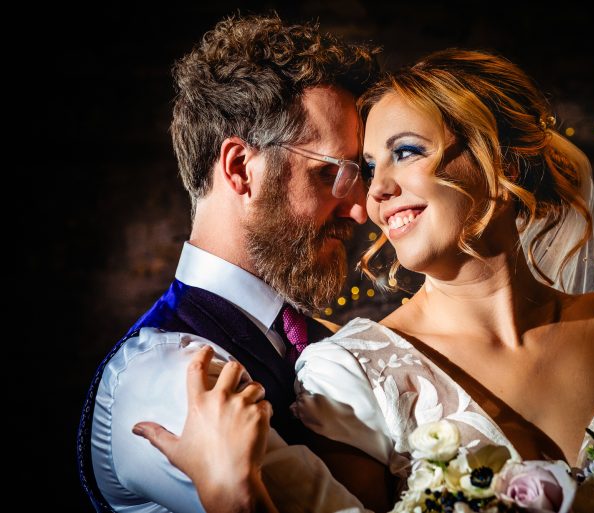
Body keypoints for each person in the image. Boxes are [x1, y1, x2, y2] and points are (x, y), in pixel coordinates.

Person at [137, 49, 594, 510]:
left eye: (406, 152)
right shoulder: (351, 373)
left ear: (503, 164)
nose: (375, 191)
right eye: (366, 169)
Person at [77, 12, 381, 513]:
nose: (360, 209)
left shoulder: (312, 337)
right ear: (241, 168)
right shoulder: (171, 376)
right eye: (331, 175)